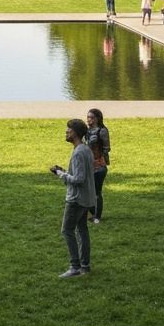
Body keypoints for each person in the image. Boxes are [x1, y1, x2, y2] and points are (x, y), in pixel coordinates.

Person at [49, 118, 95, 278]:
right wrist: (65, 171)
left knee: (67, 230)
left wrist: (61, 174)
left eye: (68, 130)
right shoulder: (86, 149)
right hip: (87, 198)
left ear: (75, 133)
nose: (66, 132)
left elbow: (79, 179)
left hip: (76, 199)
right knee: (82, 230)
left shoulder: (78, 153)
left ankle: (75, 267)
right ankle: (85, 266)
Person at [86, 108, 111, 224]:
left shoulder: (102, 131)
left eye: (91, 117)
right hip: (89, 165)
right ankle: (93, 212)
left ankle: (97, 216)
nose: (89, 120)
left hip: (99, 165)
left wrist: (105, 160)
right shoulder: (87, 131)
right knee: (86, 191)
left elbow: (106, 148)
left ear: (97, 118)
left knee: (97, 192)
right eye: (88, 117)